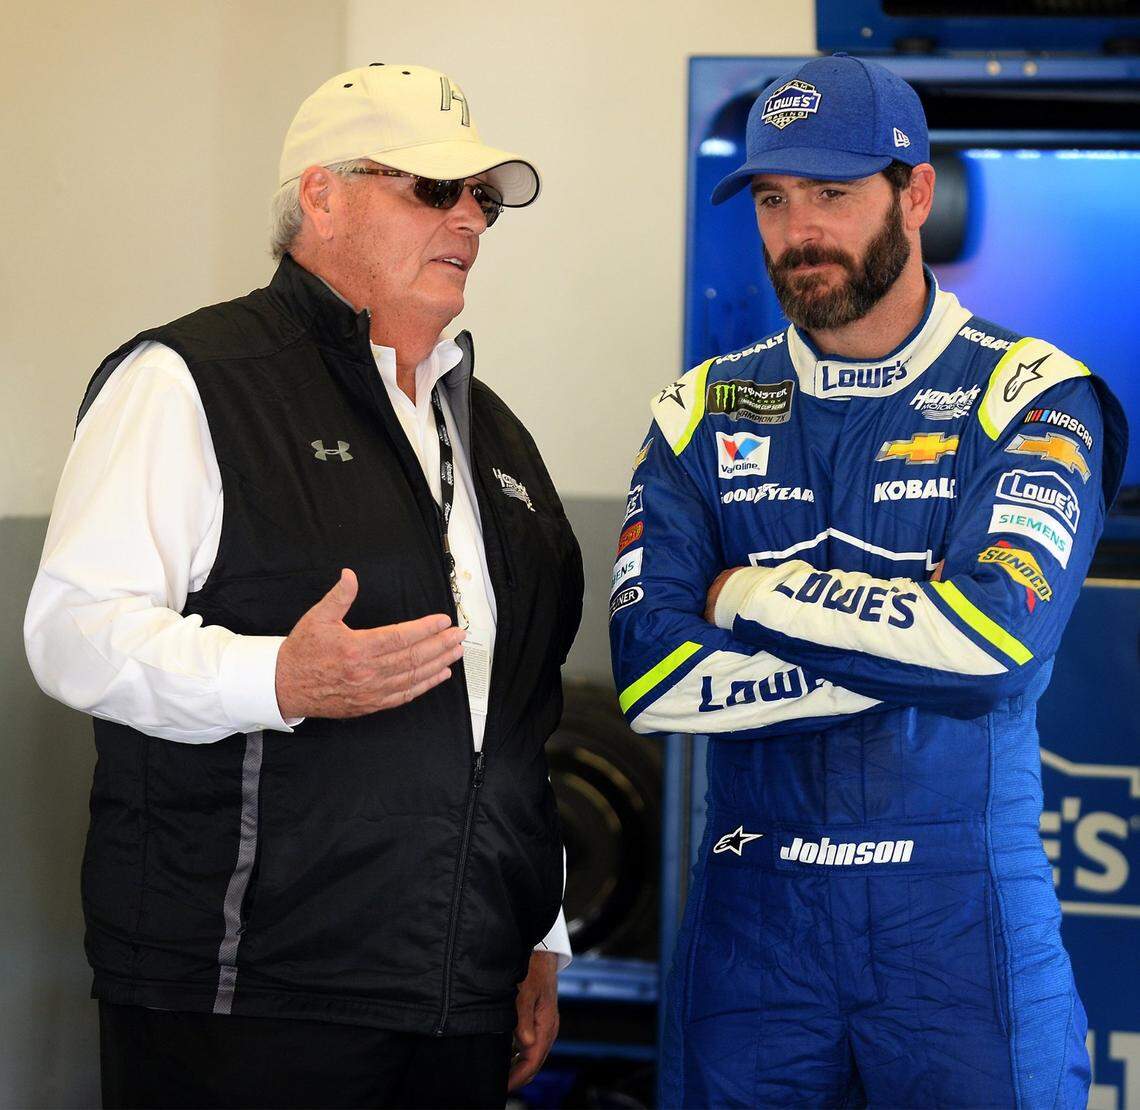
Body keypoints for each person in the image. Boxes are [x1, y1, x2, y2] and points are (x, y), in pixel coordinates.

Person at [25, 63, 583, 1109]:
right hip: (246, 995)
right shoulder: (191, 380)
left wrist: (535, 929)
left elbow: (514, 720)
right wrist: (277, 678)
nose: (468, 215)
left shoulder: (493, 433)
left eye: (485, 198)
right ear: (320, 196)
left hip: (459, 991)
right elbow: (74, 633)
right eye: (432, 186)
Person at [610, 53, 1127, 1107]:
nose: (799, 229)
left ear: (917, 193)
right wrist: (910, 642)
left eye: (833, 195)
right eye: (773, 197)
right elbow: (650, 679)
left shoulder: (1032, 395)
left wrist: (746, 599)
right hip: (752, 920)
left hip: (960, 920)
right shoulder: (699, 411)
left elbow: (991, 649)